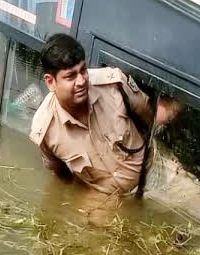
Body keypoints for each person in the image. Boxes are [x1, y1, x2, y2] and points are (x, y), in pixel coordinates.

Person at [29, 33, 176, 196]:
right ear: (51, 82)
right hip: (104, 199)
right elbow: (61, 174)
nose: (81, 81)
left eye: (83, 70)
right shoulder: (44, 131)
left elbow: (149, 117)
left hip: (154, 172)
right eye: (70, 76)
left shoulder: (114, 85)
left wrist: (172, 109)